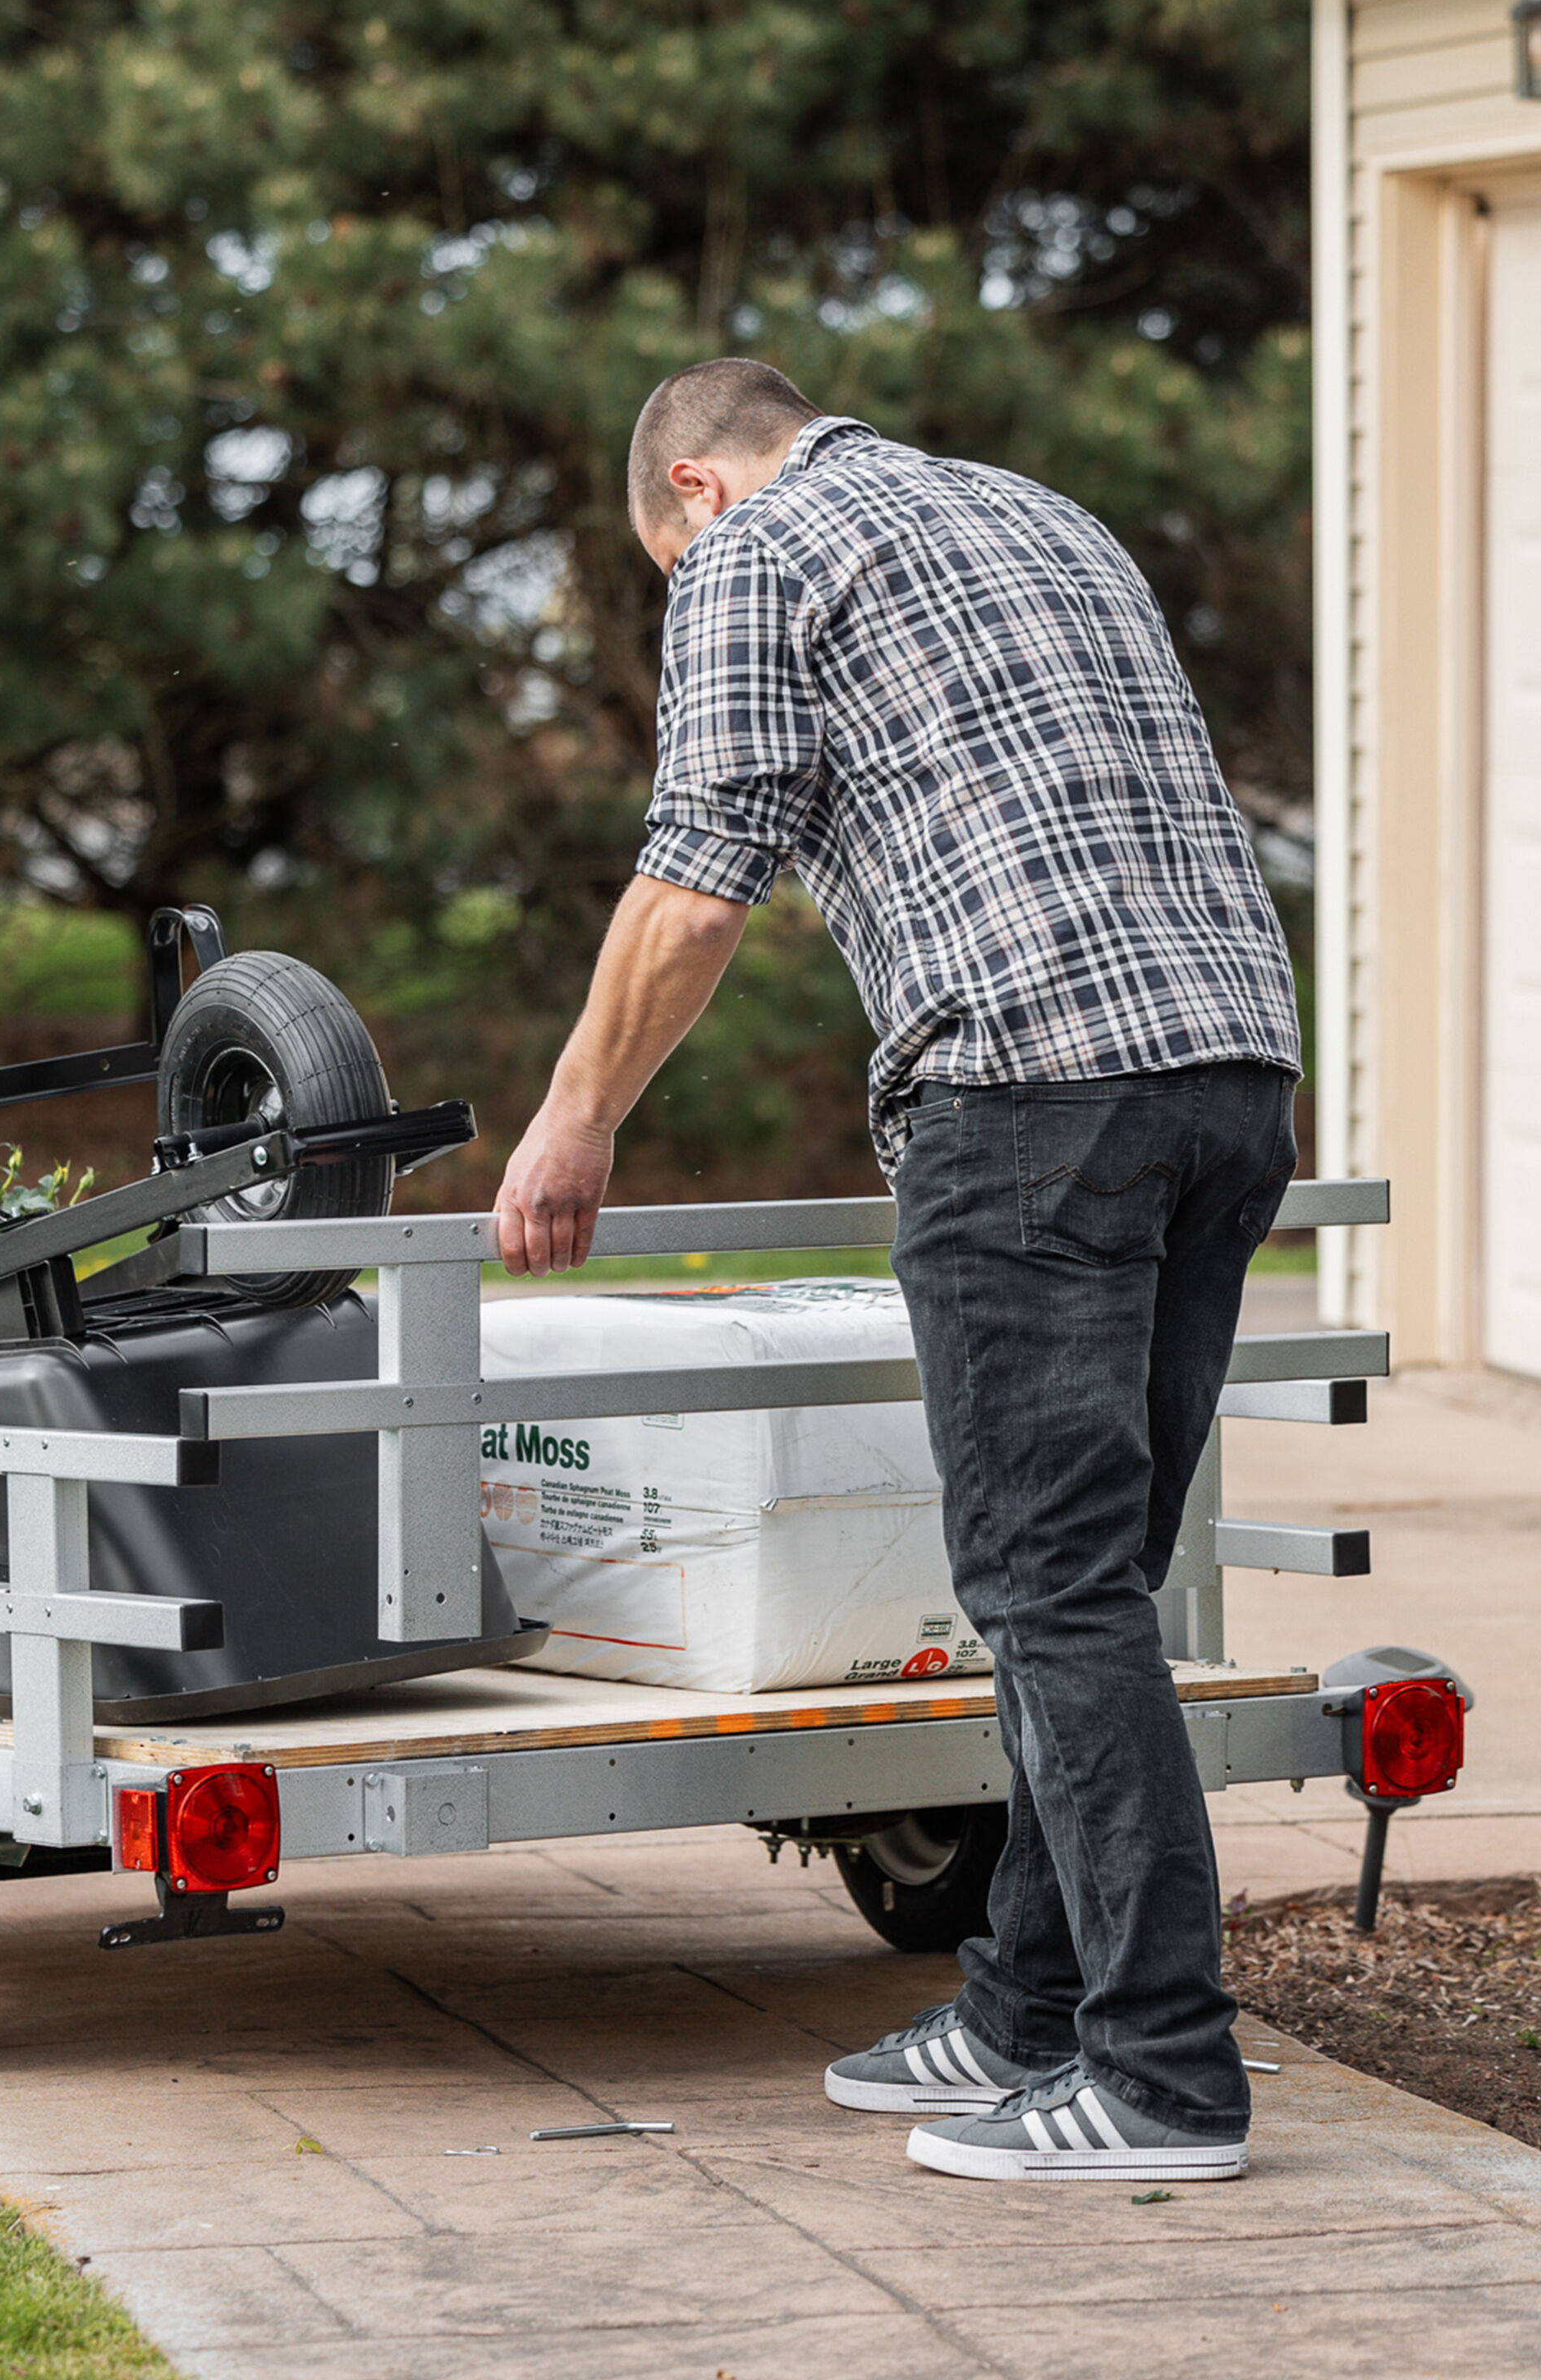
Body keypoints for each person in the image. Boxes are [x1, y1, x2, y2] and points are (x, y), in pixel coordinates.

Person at [492, 359, 1300, 2185]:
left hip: (1029, 1095)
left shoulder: (756, 555)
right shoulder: (1042, 512)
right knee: (1092, 1580)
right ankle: (1023, 2003)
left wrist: (573, 1120)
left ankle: (1163, 2077)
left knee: (1047, 1587)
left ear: (694, 487)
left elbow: (700, 881)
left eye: (662, 548)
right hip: (1234, 1076)